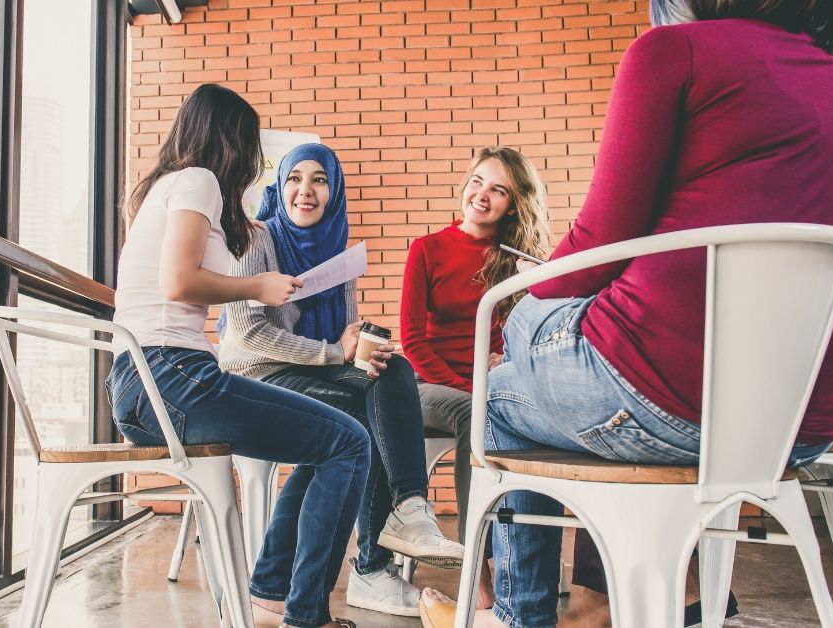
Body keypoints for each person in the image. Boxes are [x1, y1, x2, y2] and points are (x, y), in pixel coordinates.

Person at [420, 1, 833, 626]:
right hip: (798, 420)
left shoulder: (675, 52)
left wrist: (534, 301)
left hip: (661, 399)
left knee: (502, 387)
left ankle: (516, 616)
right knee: (566, 348)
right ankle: (653, 601)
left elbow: (594, 248)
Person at [108, 84, 370, 628]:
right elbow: (178, 282)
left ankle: (274, 597)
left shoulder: (165, 188)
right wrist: (257, 287)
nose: (253, 165)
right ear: (229, 140)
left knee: (335, 441)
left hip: (144, 384)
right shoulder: (198, 181)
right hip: (171, 376)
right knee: (349, 441)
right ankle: (307, 617)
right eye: (251, 148)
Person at [219, 143, 464, 619]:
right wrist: (333, 353)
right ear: (281, 185)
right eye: (294, 178)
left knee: (391, 368)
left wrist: (358, 351)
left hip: (309, 370)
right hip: (255, 376)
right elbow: (247, 333)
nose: (305, 191)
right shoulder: (256, 238)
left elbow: (343, 341)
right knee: (356, 426)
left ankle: (405, 510)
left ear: (334, 191)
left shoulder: (338, 253)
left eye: (319, 180)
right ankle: (372, 566)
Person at [400, 146, 550, 608]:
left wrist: (505, 356)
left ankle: (523, 567)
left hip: (495, 389)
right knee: (479, 413)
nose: (481, 195)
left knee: (531, 417)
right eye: (477, 182)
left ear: (514, 203)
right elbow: (413, 341)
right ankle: (475, 565)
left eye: (498, 189)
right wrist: (472, 388)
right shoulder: (427, 249)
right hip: (428, 386)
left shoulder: (519, 259)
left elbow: (533, 334)